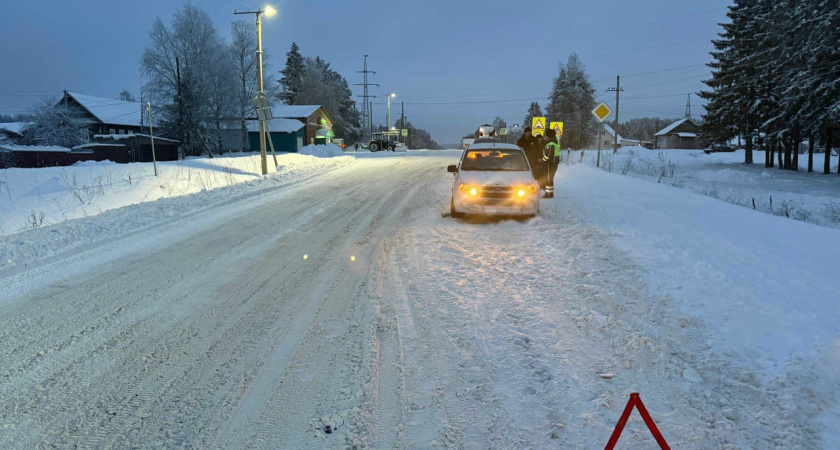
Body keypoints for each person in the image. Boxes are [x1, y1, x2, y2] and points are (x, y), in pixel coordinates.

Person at [542, 128, 562, 198]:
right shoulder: (557, 141)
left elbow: (547, 155)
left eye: (546, 135)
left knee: (548, 179)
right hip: (555, 163)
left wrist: (543, 160)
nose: (546, 137)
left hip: (549, 164)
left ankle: (548, 194)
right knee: (550, 179)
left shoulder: (550, 143)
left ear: (549, 136)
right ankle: (550, 194)